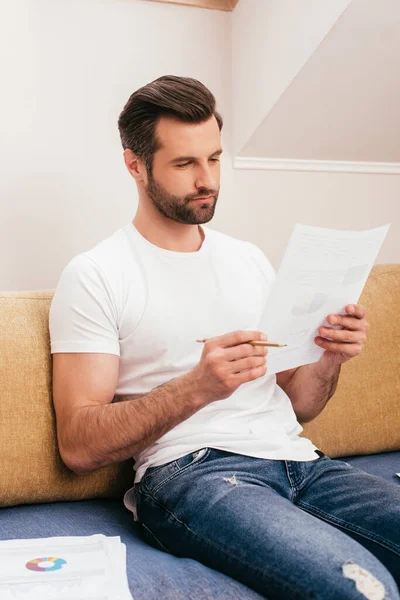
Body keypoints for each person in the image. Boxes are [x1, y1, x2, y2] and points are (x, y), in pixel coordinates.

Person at [49, 75, 400, 600]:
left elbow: (301, 404)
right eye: (185, 163)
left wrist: (330, 356)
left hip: (302, 462)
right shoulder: (97, 274)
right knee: (361, 589)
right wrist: (198, 387)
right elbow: (78, 445)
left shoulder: (248, 259)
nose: (207, 179)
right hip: (195, 475)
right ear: (135, 165)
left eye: (214, 158)